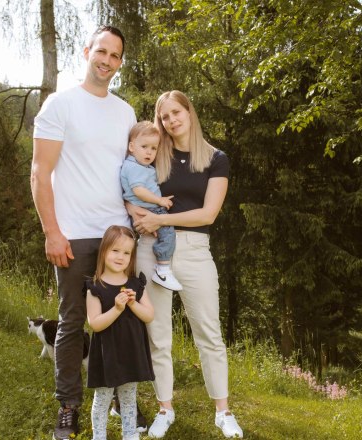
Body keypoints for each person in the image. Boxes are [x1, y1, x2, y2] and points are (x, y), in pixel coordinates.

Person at [31, 25, 143, 440]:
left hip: (117, 234)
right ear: (86, 52)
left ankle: (116, 398)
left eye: (115, 56)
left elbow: (131, 173)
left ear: (119, 62)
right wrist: (52, 232)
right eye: (102, 51)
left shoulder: (125, 112)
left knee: (117, 319)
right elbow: (40, 172)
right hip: (74, 233)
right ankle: (69, 407)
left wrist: (139, 219)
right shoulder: (60, 105)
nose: (107, 61)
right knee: (73, 321)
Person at [132, 90, 244, 438]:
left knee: (209, 334)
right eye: (164, 117)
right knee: (158, 336)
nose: (171, 121)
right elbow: (131, 189)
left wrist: (162, 221)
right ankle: (165, 408)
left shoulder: (215, 158)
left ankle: (223, 411)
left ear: (189, 112)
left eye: (176, 113)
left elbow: (209, 213)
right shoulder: (154, 156)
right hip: (151, 250)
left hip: (195, 250)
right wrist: (140, 219)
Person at [86, 225, 155, 440]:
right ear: (104, 251)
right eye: (115, 250)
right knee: (103, 397)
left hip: (130, 351)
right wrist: (117, 309)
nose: (120, 257)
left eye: (126, 253)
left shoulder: (135, 284)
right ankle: (99, 436)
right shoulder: (95, 287)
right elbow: (95, 324)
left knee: (128, 397)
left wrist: (133, 304)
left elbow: (149, 315)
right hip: (107, 354)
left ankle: (129, 434)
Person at [120, 121, 183, 291]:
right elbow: (139, 190)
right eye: (144, 146)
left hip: (148, 208)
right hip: (149, 208)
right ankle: (162, 269)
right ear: (132, 147)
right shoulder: (134, 167)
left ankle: (162, 266)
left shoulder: (141, 165)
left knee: (165, 233)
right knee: (168, 233)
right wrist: (159, 200)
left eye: (154, 148)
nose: (149, 152)